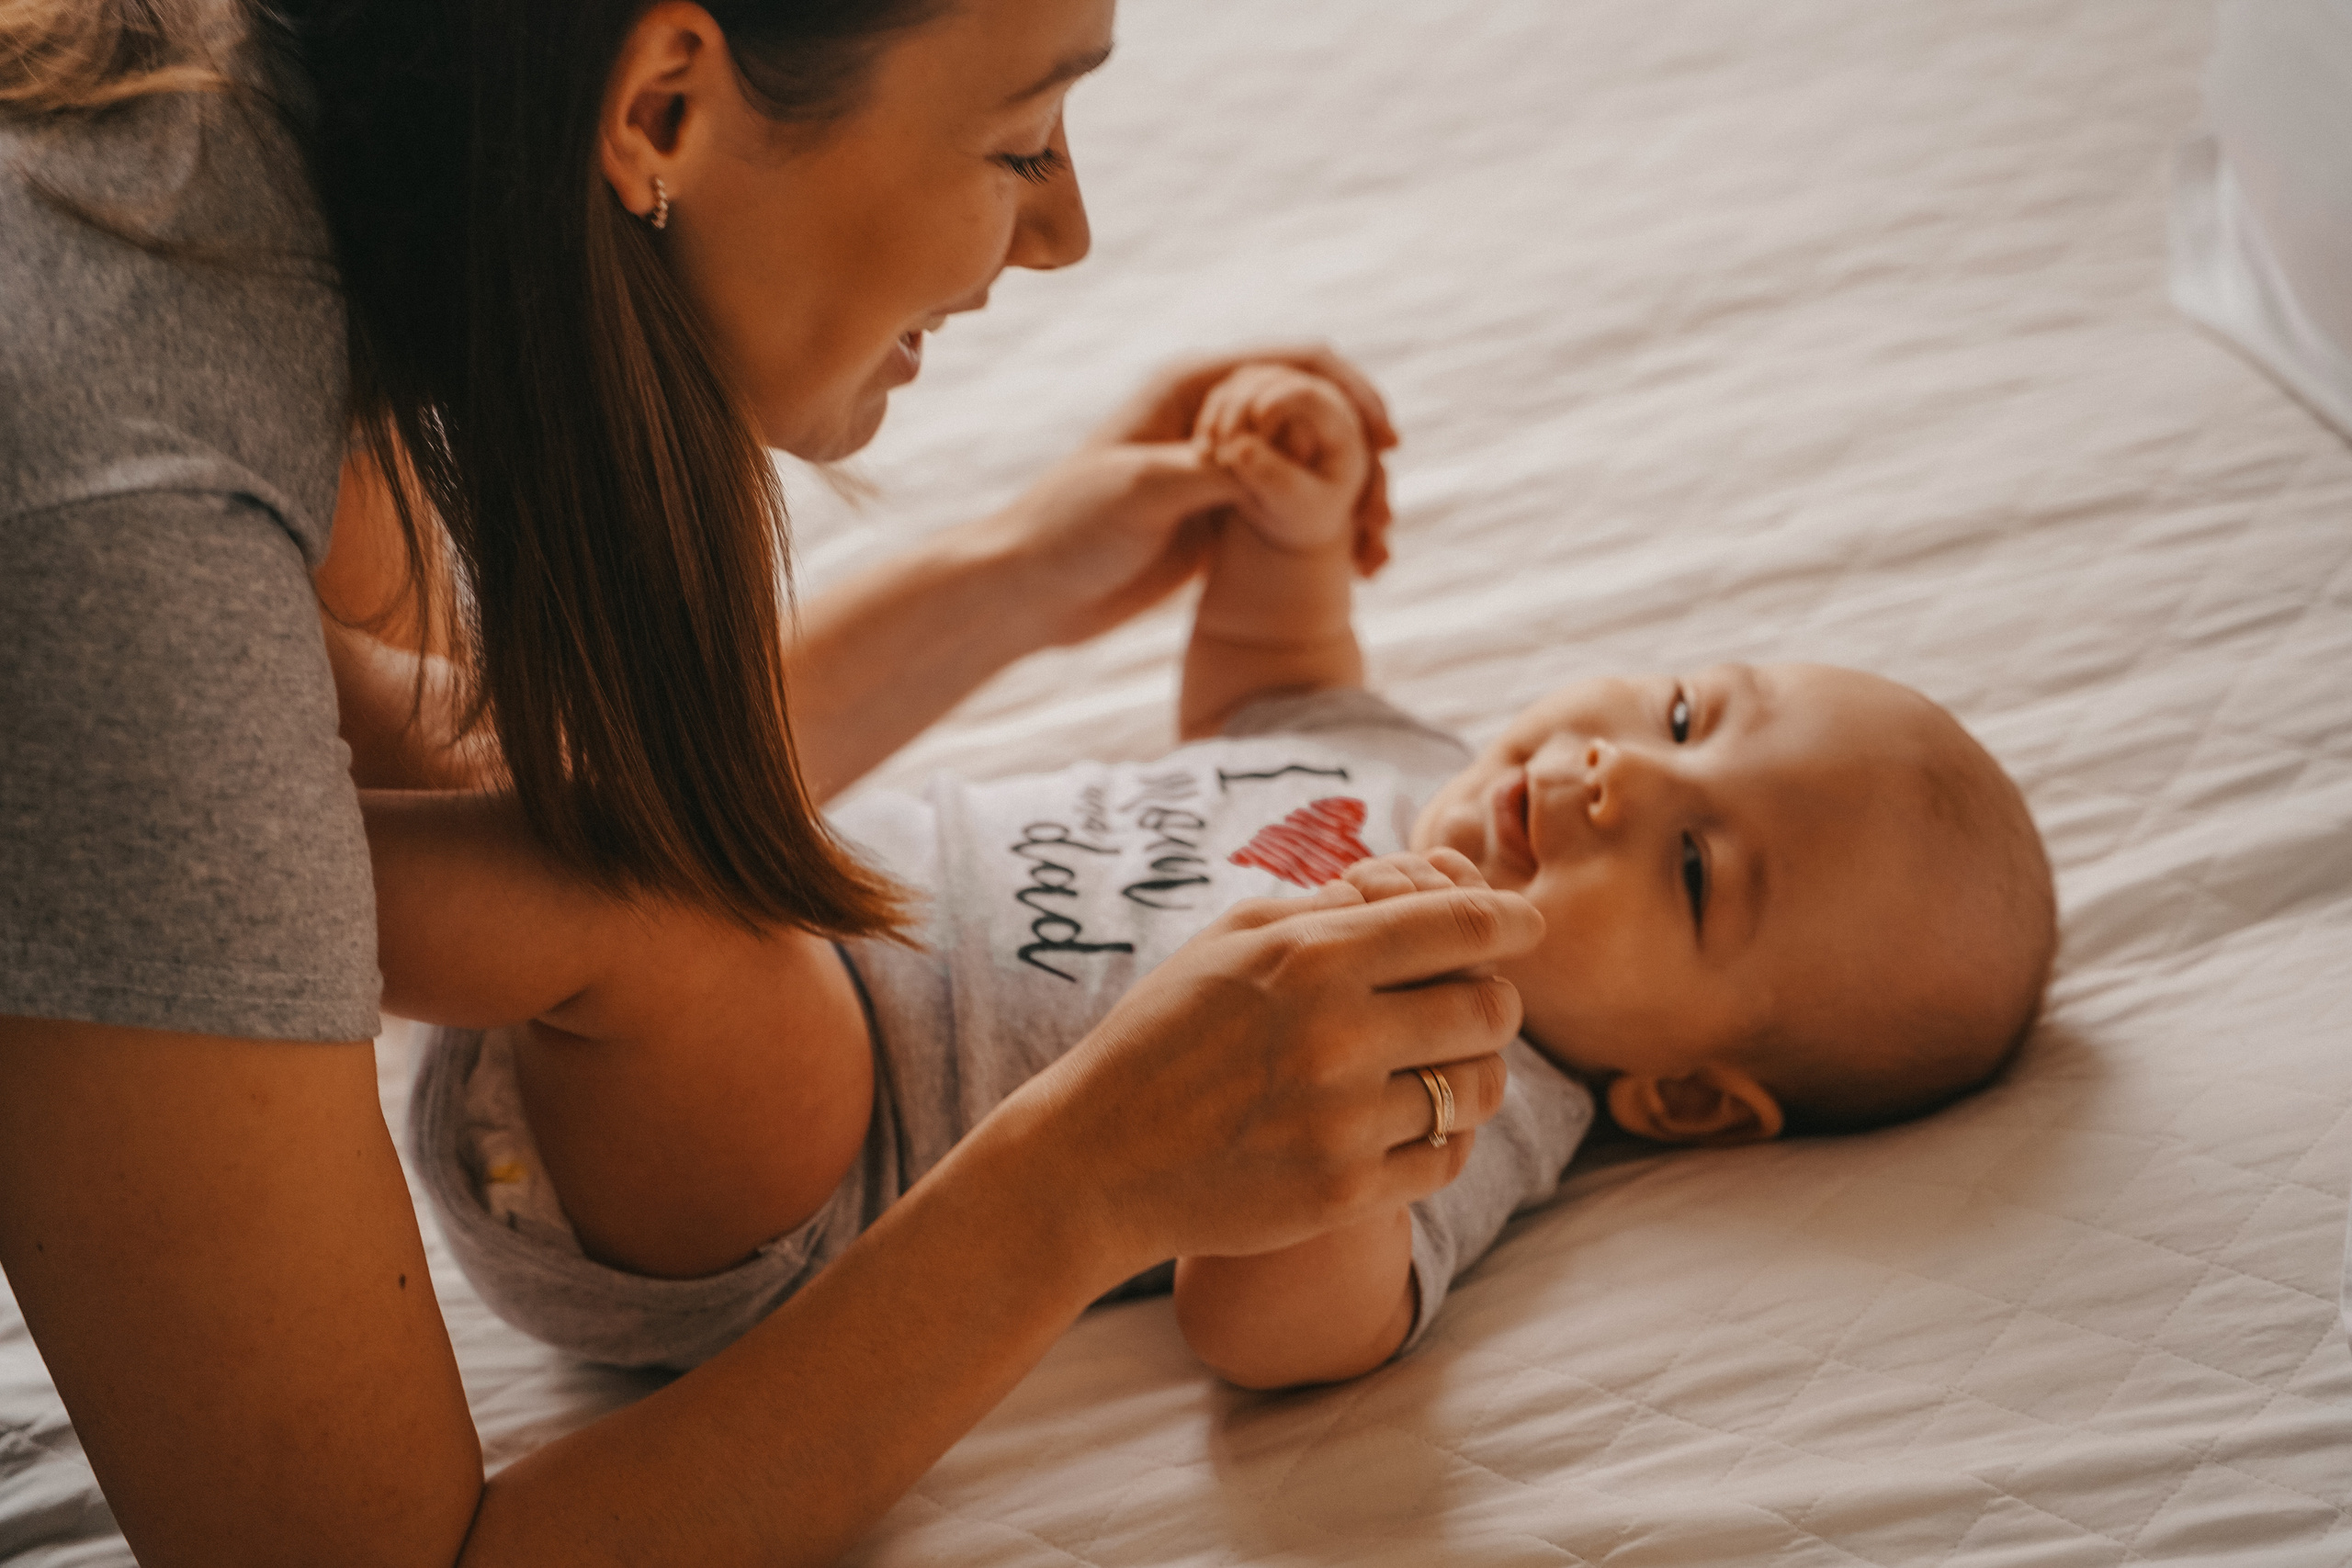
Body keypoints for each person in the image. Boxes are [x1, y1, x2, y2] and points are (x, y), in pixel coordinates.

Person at [0, 4, 1544, 1563]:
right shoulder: (111, 523)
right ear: (662, 108)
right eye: (1023, 140)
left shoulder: (244, 162)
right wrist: (1092, 1178)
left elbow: (458, 788)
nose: (1068, 231)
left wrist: (1021, 569)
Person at [382, 366, 2060, 1393]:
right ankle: (260, 757)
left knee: (657, 898)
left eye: (1697, 867)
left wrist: (1342, 1162)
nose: (1625, 771)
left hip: (798, 1161)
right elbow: (1266, 684)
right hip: (725, 943)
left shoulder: (1474, 1085)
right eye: (1687, 711)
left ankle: (221, 893)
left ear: (1686, 1096)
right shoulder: (1407, 761)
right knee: (532, 752)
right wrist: (1292, 516)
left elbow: (1272, 1336)